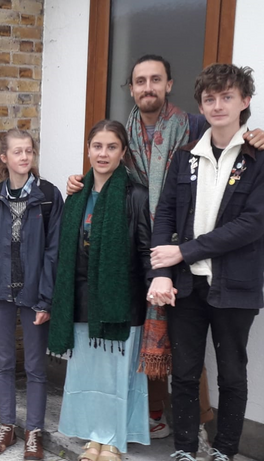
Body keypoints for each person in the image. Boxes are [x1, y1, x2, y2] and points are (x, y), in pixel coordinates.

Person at [65, 55, 264, 446]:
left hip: (192, 261)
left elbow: (249, 212)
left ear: (169, 85)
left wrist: (257, 134)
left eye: (155, 79)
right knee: (163, 348)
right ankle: (160, 424)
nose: (147, 87)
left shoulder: (194, 127)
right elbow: (108, 166)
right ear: (132, 88)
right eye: (140, 81)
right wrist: (81, 181)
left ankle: (211, 433)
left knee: (212, 364)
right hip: (149, 253)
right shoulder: (137, 136)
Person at [148, 64, 264, 461]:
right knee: (183, 373)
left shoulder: (258, 158)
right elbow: (164, 215)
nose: (217, 105)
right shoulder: (185, 158)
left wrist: (186, 251)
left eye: (227, 97)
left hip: (236, 287)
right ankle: (184, 450)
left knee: (232, 373)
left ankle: (225, 451)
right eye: (210, 99)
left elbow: (252, 224)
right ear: (201, 104)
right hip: (187, 286)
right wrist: (163, 272)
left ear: (244, 101)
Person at [50, 120, 152, 461]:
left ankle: (112, 441)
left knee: (116, 376)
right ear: (89, 149)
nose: (103, 153)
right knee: (89, 373)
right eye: (97, 146)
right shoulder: (77, 195)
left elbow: (144, 249)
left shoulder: (135, 195)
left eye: (111, 147)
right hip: (80, 298)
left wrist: (154, 293)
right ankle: (93, 438)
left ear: (123, 152)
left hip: (121, 302)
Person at [0, 129, 63, 460]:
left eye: (29, 151)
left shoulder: (49, 197)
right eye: (18, 152)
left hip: (34, 293)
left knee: (36, 366)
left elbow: (54, 253)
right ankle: (7, 425)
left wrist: (46, 297)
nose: (24, 157)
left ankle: (34, 431)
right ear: (4, 158)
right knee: (5, 362)